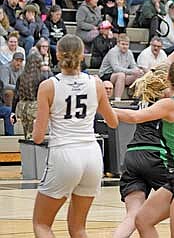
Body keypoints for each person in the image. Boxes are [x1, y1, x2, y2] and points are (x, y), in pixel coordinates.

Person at [113, 57, 174, 237]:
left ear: (167, 78)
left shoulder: (171, 104)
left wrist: (104, 107)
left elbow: (135, 117)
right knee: (143, 220)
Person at [31, 34, 118, 237]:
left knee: (41, 224)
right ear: (82, 55)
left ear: (58, 54)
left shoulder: (48, 86)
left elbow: (37, 137)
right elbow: (113, 122)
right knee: (78, 228)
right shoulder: (96, 83)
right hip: (92, 156)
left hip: (64, 153)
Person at [99, 34, 143, 101]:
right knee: (121, 75)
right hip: (107, 74)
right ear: (118, 44)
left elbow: (134, 66)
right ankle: (117, 99)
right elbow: (116, 68)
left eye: (126, 45)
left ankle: (135, 97)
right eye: (123, 44)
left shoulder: (129, 53)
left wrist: (138, 71)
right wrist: (132, 71)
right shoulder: (113, 52)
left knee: (138, 74)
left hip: (122, 75)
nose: (125, 46)